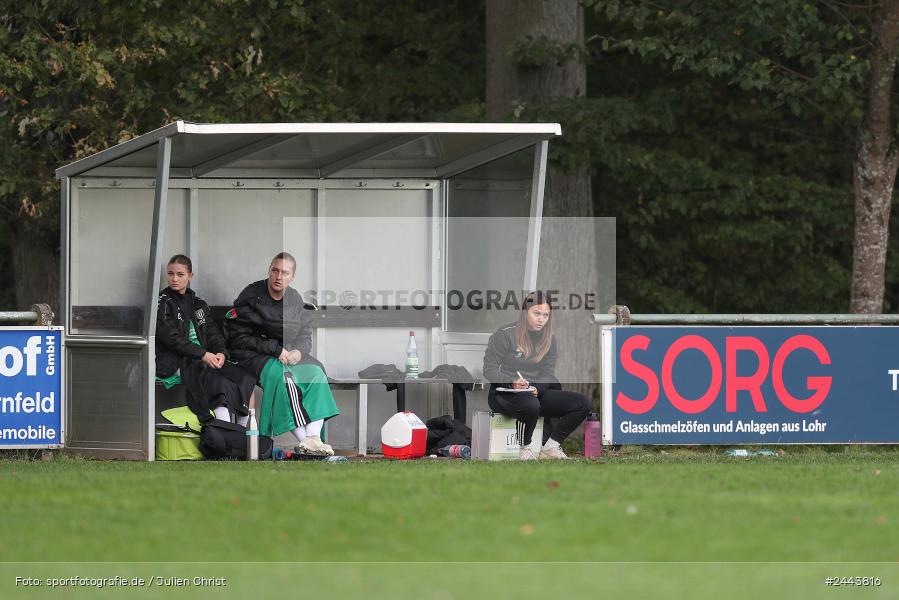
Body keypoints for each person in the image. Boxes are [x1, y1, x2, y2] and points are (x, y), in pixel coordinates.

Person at [224, 252, 339, 456]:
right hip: (251, 356)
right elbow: (238, 337)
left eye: (284, 272)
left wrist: (299, 351)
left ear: (292, 276)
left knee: (316, 374)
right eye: (275, 270)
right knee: (285, 378)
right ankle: (307, 442)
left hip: (286, 355)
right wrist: (275, 350)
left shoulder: (295, 299)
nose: (278, 276)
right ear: (269, 271)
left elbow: (304, 335)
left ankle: (314, 438)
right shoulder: (251, 294)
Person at [482, 291, 591, 460]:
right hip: (504, 392)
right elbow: (489, 370)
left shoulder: (549, 339)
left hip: (534, 391)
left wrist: (537, 388)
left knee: (582, 403)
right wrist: (512, 382)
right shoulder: (504, 334)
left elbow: (547, 373)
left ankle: (550, 447)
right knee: (531, 406)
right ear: (525, 312)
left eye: (546, 315)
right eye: (537, 314)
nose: (541, 319)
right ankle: (525, 449)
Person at [156, 254, 256, 425]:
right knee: (218, 381)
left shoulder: (199, 304)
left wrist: (221, 353)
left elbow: (213, 334)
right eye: (170, 274)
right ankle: (224, 435)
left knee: (245, 379)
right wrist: (203, 355)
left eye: (180, 274)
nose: (174, 279)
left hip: (204, 358)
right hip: (176, 361)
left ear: (190, 276)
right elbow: (172, 339)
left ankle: (241, 434)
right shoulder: (163, 302)